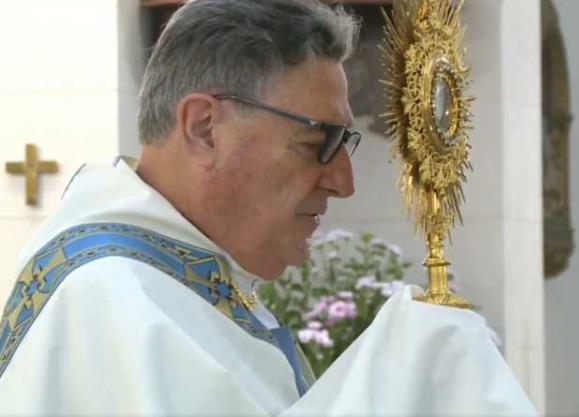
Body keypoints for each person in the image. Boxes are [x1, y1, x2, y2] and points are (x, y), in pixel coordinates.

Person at [0, 0, 536, 415]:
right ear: (205, 128)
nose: (342, 183)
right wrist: (411, 366)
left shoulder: (176, 289)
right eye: (318, 143)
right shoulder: (109, 306)